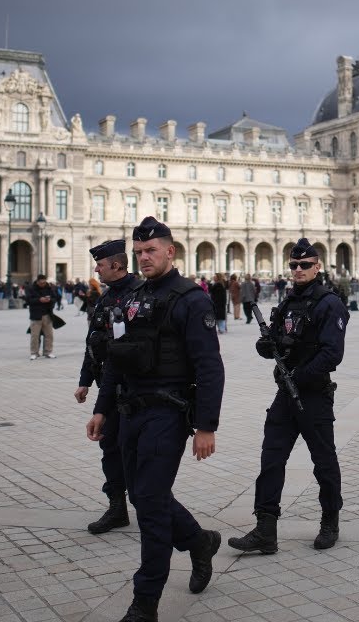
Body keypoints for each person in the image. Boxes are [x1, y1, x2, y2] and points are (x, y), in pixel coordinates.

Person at [87, 217, 224, 621]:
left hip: (167, 412)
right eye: (139, 251)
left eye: (151, 251)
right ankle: (198, 542)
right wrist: (102, 407)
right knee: (146, 494)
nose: (144, 257)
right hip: (129, 412)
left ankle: (144, 602)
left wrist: (206, 426)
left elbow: (209, 367)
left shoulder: (191, 299)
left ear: (170, 252)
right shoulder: (129, 300)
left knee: (147, 506)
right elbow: (116, 357)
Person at [230, 238, 348, 555]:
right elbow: (274, 343)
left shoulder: (329, 303)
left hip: (313, 395)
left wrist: (300, 374)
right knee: (271, 459)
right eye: (294, 265)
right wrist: (266, 347)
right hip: (286, 394)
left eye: (305, 265)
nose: (298, 270)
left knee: (323, 462)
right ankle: (265, 529)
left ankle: (330, 521)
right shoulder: (286, 302)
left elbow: (332, 354)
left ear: (317, 266)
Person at [77, 239, 145, 535]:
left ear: (116, 265)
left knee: (134, 452)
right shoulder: (106, 297)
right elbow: (93, 341)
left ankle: (149, 506)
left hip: (132, 389)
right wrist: (84, 380)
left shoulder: (139, 294)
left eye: (101, 265)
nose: (96, 269)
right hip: (108, 385)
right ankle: (117, 507)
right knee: (109, 449)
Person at [26, 274, 57, 360]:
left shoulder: (49, 288)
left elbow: (55, 298)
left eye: (44, 282)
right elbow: (28, 300)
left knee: (49, 335)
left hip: (47, 315)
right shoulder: (31, 289)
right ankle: (34, 353)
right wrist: (39, 300)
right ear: (38, 281)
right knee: (34, 336)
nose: (43, 284)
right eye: (41, 283)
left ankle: (48, 352)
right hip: (36, 315)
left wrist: (50, 300)